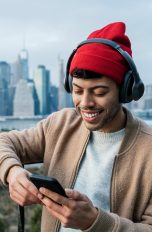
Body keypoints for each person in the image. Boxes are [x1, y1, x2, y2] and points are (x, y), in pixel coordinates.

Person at [0, 21, 152, 232]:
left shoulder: (149, 149)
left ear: (126, 91)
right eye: (78, 91)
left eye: (99, 92)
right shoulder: (60, 124)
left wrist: (96, 222)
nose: (85, 102)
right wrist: (13, 172)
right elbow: (3, 141)